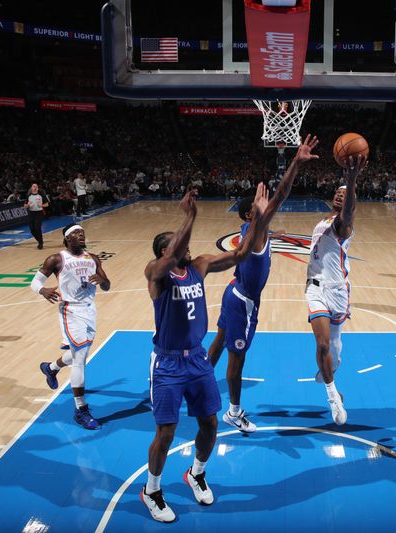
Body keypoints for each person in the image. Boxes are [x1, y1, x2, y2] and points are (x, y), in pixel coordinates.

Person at [142, 187, 268, 523]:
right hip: (167, 362)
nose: (185, 247)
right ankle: (152, 490)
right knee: (166, 432)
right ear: (162, 252)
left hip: (197, 359)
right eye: (175, 243)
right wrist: (190, 216)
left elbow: (241, 255)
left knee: (210, 423)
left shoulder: (199, 266)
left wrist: (258, 218)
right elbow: (169, 258)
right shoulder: (156, 274)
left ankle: (196, 473)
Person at [208, 134, 319, 433]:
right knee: (237, 357)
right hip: (243, 302)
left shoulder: (253, 229)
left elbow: (269, 219)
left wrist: (273, 227)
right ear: (250, 213)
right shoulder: (256, 229)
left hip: (235, 292)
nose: (269, 204)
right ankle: (233, 411)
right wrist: (295, 161)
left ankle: (201, 381)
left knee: (219, 339)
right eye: (263, 204)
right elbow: (282, 194)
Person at [306, 155, 367, 426]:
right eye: (337, 192)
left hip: (338, 291)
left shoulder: (345, 226)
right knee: (321, 344)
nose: (340, 196)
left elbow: (349, 211)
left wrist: (352, 178)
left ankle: (330, 372)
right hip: (315, 288)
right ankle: (333, 398)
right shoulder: (322, 221)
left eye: (345, 194)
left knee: (333, 349)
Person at [33, 224, 111, 430]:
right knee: (79, 359)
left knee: (81, 355)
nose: (81, 235)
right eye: (76, 233)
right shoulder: (56, 259)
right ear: (67, 238)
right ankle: (81, 410)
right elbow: (34, 281)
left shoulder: (92, 258)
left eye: (83, 232)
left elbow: (107, 285)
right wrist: (43, 290)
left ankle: (50, 368)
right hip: (70, 311)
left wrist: (102, 280)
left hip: (90, 310)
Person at [25, 183, 49, 249]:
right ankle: (39, 241)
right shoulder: (28, 196)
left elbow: (47, 204)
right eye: (33, 186)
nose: (35, 187)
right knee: (32, 229)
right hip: (31, 213)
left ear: (37, 188)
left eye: (36, 186)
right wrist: (27, 205)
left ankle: (40, 243)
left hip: (39, 213)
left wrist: (41, 205)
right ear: (31, 188)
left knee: (37, 227)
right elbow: (25, 206)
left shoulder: (41, 195)